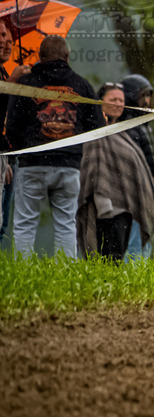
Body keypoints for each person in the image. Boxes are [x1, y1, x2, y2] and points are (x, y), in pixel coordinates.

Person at [5, 35, 104, 257]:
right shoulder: (82, 85)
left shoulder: (26, 84)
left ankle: (23, 276)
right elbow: (97, 126)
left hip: (32, 163)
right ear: (67, 56)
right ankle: (65, 276)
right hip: (68, 165)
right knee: (66, 223)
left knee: (24, 224)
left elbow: (11, 126)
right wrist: (75, 145)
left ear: (40, 57)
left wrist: (24, 149)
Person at [76, 83, 154, 261]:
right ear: (100, 102)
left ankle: (115, 287)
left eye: (121, 100)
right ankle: (105, 288)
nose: (118, 103)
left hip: (125, 210)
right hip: (105, 211)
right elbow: (94, 171)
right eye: (113, 99)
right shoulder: (95, 134)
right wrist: (103, 203)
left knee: (118, 257)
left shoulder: (123, 133)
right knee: (108, 257)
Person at [119, 73, 154, 261]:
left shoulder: (143, 124)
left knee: (144, 238)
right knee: (134, 240)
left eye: (148, 95)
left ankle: (140, 276)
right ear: (130, 96)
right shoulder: (126, 127)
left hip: (148, 190)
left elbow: (151, 163)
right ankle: (133, 280)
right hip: (133, 194)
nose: (146, 101)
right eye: (142, 96)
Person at [0, 21, 32, 244]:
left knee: (2, 222)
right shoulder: (7, 76)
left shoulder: (4, 72)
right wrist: (13, 81)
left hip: (6, 154)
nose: (6, 43)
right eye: (1, 36)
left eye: (10, 40)